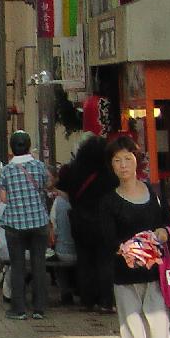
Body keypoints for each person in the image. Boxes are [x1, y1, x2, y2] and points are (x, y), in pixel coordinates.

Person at [99, 134, 170, 338]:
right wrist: (128, 249)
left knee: (160, 337)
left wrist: (162, 235)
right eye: (117, 161)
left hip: (155, 276)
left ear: (136, 160)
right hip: (125, 277)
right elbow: (107, 239)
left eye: (127, 158)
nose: (122, 165)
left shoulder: (154, 193)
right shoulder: (108, 201)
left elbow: (167, 223)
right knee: (133, 337)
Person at [0, 130, 51, 320]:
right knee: (39, 264)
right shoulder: (39, 166)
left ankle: (18, 308)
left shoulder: (6, 170)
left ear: (12, 148)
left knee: (18, 265)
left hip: (15, 224)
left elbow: (3, 198)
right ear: (28, 146)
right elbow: (48, 185)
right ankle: (39, 308)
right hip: (39, 222)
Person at [65, 133, 116, 311]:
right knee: (105, 261)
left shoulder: (74, 171)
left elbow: (67, 191)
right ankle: (106, 301)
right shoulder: (109, 174)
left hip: (80, 222)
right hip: (103, 222)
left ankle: (87, 300)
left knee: (85, 261)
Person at [49, 165, 78, 305]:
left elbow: (53, 228)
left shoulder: (58, 202)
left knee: (56, 260)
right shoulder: (82, 200)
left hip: (63, 251)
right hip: (81, 250)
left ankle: (65, 292)